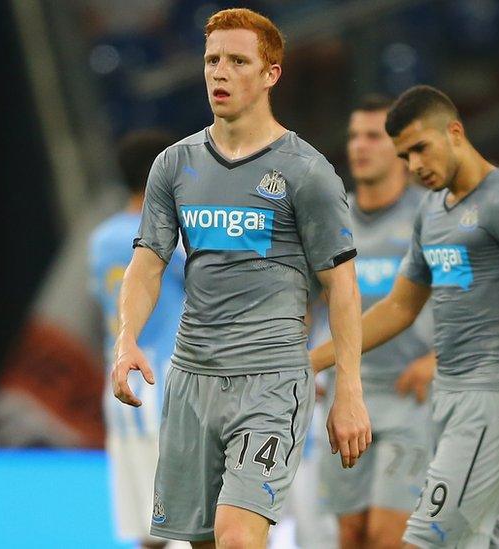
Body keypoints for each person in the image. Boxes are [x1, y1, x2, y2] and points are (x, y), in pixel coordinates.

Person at [110, 8, 371, 548]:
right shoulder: (174, 166)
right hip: (190, 378)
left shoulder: (307, 172)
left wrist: (349, 389)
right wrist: (127, 337)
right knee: (202, 541)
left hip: (270, 379)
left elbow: (342, 286)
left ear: (271, 73)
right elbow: (147, 265)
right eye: (211, 60)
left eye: (236, 60)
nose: (218, 72)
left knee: (237, 536)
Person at [310, 84, 499, 548]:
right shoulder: (432, 213)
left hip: (495, 398)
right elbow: (400, 307)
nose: (416, 165)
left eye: (421, 148)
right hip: (452, 400)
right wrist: (315, 359)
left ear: (455, 132)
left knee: (424, 538)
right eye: (406, 156)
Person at [318, 95, 436, 548]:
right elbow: (303, 298)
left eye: (373, 136)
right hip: (347, 397)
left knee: (387, 536)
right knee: (351, 535)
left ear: (402, 150)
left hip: (411, 398)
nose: (359, 146)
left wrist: (440, 359)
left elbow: (477, 299)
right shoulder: (330, 217)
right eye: (354, 136)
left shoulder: (430, 217)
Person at [89, 129, 183, 549]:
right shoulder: (171, 241)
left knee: (148, 533)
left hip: (122, 398)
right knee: (188, 527)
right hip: (169, 396)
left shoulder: (101, 240)